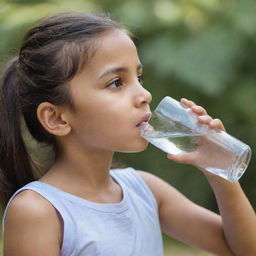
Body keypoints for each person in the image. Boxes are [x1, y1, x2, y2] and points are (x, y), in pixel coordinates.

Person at [0, 12, 256, 256]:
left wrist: (220, 174)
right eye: (116, 83)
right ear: (56, 118)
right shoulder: (38, 211)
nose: (145, 95)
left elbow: (244, 249)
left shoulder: (146, 190)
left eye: (139, 77)